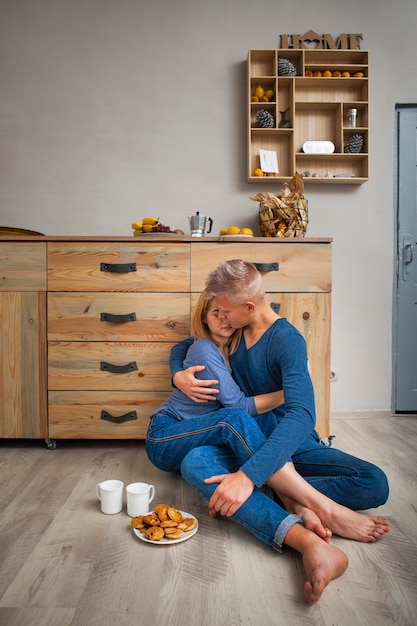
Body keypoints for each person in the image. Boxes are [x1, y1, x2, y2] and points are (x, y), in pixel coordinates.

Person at [169, 260, 390, 602]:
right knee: (195, 461)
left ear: (249, 307)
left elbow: (302, 414)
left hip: (291, 444)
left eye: (225, 311)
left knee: (373, 482)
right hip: (245, 441)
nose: (220, 317)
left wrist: (248, 476)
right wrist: (176, 374)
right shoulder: (234, 331)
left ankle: (276, 497)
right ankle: (308, 521)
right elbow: (186, 345)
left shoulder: (287, 341)